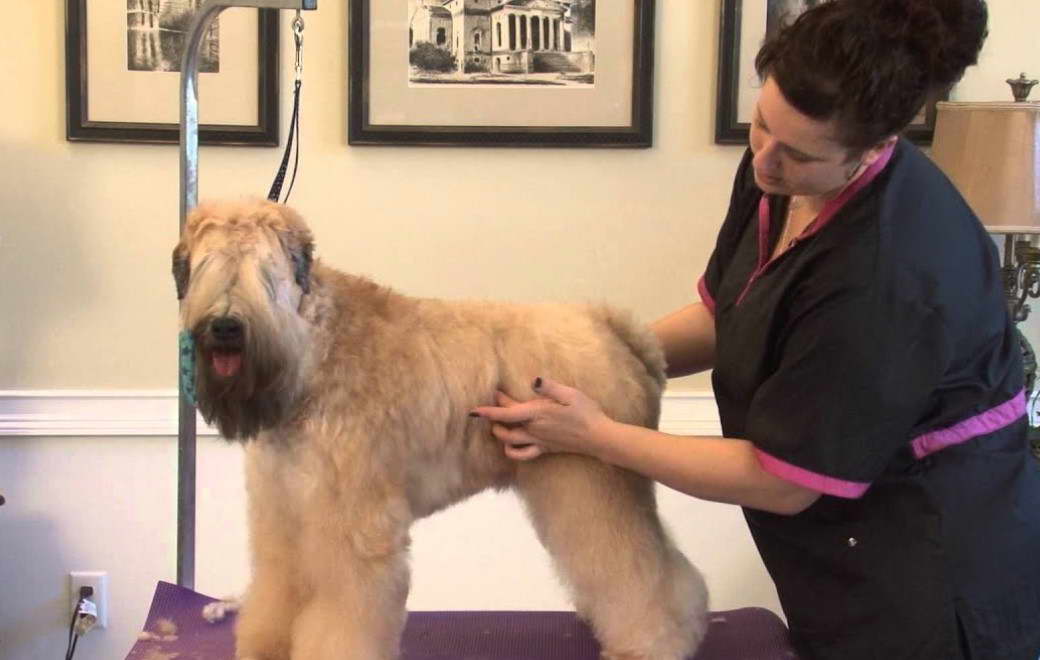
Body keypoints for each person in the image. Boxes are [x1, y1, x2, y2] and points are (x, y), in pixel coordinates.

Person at [470, 1, 1040, 658]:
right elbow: (730, 313)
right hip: (838, 555)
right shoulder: (782, 173)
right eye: (761, 123)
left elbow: (783, 478)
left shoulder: (888, 272)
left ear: (875, 148)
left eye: (796, 152)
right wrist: (595, 357)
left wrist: (596, 435)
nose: (766, 161)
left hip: (933, 574)